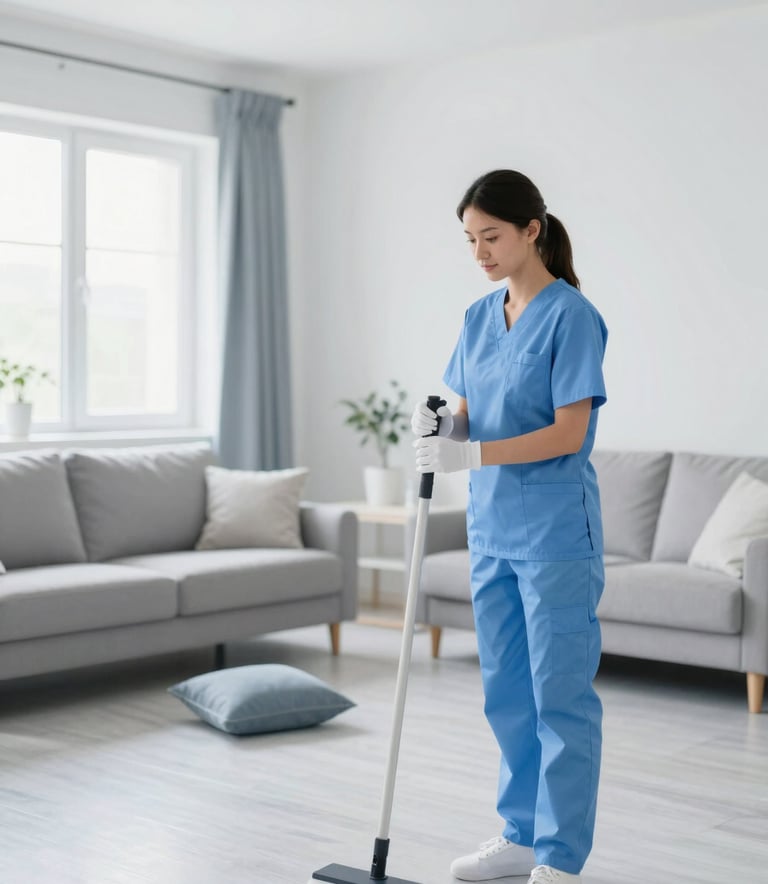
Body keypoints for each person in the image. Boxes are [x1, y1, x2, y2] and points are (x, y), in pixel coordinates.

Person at [411, 169, 608, 884]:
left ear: (532, 230)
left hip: (555, 533)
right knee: (507, 694)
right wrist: (440, 421)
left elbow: (566, 432)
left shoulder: (572, 317)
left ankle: (558, 858)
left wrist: (473, 452)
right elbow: (465, 407)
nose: (480, 251)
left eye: (491, 236)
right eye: (469, 239)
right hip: (490, 531)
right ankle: (520, 835)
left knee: (560, 696)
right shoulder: (475, 317)